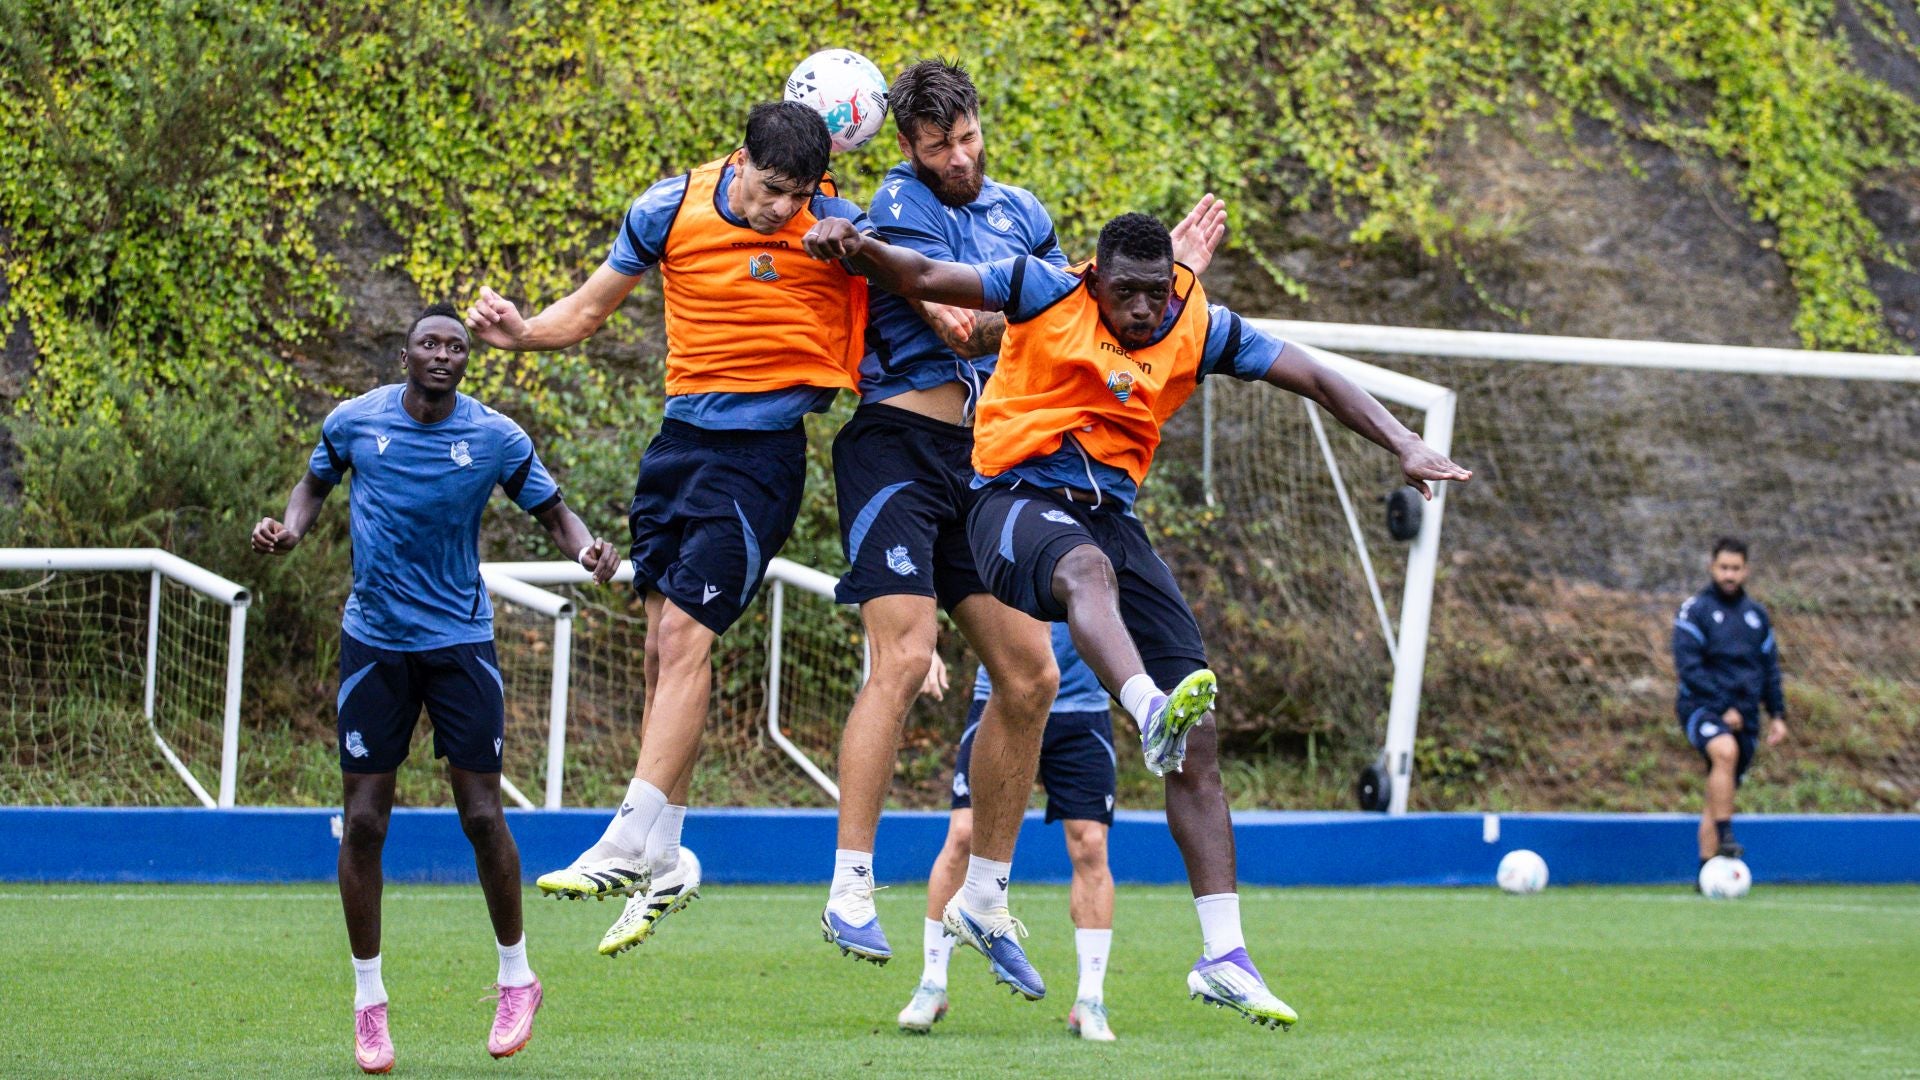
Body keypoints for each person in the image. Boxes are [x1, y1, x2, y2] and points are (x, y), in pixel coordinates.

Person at [801, 211, 1470, 1026]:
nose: (1146, 309)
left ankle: (1223, 954)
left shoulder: (1197, 319)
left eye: (1158, 292)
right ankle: (1146, 708)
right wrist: (860, 247)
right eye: (1129, 294)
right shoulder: (1044, 287)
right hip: (1012, 500)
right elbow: (927, 280)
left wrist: (1401, 440)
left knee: (1204, 728)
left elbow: (1316, 376)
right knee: (1086, 578)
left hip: (1111, 516)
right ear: (1096, 279)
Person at [818, 58, 1227, 966]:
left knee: (1033, 676)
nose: (959, 159)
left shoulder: (1020, 209)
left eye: (968, 139)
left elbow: (1078, 314)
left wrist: (1149, 286)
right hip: (898, 444)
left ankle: (986, 897)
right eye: (939, 147)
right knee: (908, 654)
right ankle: (849, 888)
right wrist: (1052, 299)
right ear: (909, 147)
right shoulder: (897, 209)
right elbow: (964, 328)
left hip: (984, 461)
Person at [464, 101, 871, 958]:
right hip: (678, 444)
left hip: (760, 457)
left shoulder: (833, 224)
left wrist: (860, 244)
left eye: (795, 196)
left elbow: (913, 287)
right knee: (658, 648)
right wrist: (521, 332)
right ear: (740, 160)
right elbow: (585, 312)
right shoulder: (666, 208)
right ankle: (668, 852)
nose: (779, 212)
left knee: (687, 635)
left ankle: (625, 839)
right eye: (768, 191)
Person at [252, 303, 619, 1073]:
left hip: (459, 644)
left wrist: (590, 550)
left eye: (456, 345)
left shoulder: (493, 436)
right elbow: (311, 488)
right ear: (406, 353)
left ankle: (518, 979)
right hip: (375, 645)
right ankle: (368, 1004)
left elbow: (555, 514)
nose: (445, 354)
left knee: (483, 816)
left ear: (465, 360)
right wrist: (288, 530)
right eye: (430, 342)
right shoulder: (356, 421)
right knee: (363, 825)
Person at [897, 625, 1120, 1041]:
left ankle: (1090, 999)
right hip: (1002, 700)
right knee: (963, 834)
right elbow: (940, 570)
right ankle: (932, 983)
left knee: (1090, 844)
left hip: (1081, 713)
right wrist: (922, 645)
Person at [1672, 536, 1788, 869]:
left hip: (1747, 714)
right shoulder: (1696, 610)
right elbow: (1689, 667)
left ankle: (1706, 869)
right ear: (1712, 567)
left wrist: (1777, 714)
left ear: (1746, 571)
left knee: (1718, 791)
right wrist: (1723, 707)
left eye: (1736, 569)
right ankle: (1725, 834)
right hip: (1702, 706)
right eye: (1723, 567)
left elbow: (1769, 668)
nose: (1729, 575)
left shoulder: (1756, 616)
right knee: (1724, 750)